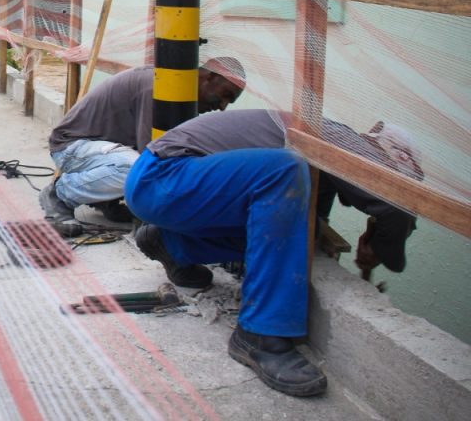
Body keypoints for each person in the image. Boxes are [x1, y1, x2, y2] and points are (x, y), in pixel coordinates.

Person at [123, 109, 422, 397]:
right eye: (393, 175)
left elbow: (290, 228)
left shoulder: (324, 150)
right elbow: (396, 207)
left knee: (307, 232)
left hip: (162, 184)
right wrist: (383, 248)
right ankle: (260, 334)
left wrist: (373, 239)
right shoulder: (343, 142)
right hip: (163, 178)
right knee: (286, 170)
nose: (382, 177)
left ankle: (172, 245)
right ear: (390, 157)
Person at [39, 57, 247, 237]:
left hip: (100, 149)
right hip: (71, 147)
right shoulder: (159, 87)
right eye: (225, 94)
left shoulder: (178, 93)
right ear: (209, 77)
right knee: (138, 168)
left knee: (146, 169)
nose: (222, 107)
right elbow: (152, 155)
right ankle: (59, 196)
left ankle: (106, 202)